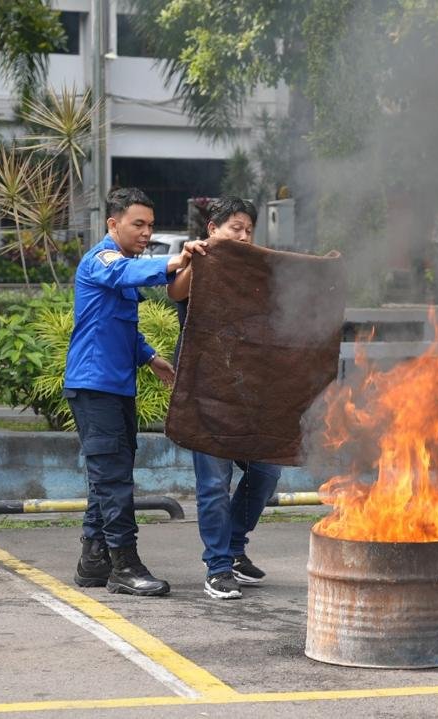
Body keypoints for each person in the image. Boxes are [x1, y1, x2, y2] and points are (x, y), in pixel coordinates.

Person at [64, 187, 207, 596]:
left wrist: (149, 358)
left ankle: (93, 561)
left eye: (150, 225)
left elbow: (116, 323)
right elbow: (120, 274)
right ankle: (124, 565)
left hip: (114, 385)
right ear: (114, 224)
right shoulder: (103, 260)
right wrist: (177, 260)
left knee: (110, 474)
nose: (146, 233)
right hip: (95, 386)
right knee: (113, 479)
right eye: (138, 224)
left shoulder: (123, 264)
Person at [168, 196, 281, 600]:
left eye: (249, 229)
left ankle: (233, 548)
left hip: (246, 396)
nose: (245, 235)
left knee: (266, 471)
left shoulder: (254, 272)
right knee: (214, 482)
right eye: (236, 227)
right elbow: (176, 293)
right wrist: (194, 259)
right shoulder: (199, 262)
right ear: (212, 229)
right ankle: (217, 567)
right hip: (204, 395)